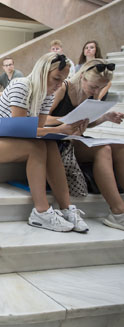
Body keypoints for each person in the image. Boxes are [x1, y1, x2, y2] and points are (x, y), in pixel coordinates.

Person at [0, 52, 90, 233]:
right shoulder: (21, 86)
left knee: (50, 144)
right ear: (42, 72)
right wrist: (59, 129)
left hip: (13, 142)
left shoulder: (48, 94)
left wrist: (64, 130)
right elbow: (21, 130)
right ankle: (41, 212)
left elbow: (38, 129)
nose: (59, 85)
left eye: (63, 80)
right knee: (37, 147)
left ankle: (67, 208)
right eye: (56, 79)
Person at [46, 58, 124, 231]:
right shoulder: (63, 89)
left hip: (74, 137)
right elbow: (42, 117)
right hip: (56, 139)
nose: (96, 91)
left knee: (120, 148)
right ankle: (118, 213)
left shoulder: (91, 94)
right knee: (103, 149)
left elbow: (86, 123)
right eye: (94, 87)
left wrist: (105, 117)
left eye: (100, 88)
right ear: (82, 77)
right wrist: (65, 123)